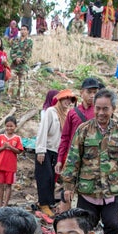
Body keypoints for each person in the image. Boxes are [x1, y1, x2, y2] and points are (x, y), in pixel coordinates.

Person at [61, 89, 118, 234]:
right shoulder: (84, 130)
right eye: (97, 109)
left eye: (105, 109)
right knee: (84, 227)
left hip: (111, 190)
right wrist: (68, 187)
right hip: (88, 189)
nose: (101, 113)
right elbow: (73, 159)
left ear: (113, 109)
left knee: (113, 225)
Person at [35, 89, 76, 217]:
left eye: (70, 100)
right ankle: (43, 203)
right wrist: (40, 150)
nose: (68, 102)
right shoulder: (51, 111)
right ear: (60, 99)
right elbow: (43, 130)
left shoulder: (68, 114)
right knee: (44, 177)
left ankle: (50, 202)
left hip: (57, 151)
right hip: (46, 149)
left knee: (53, 178)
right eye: (66, 99)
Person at [55, 77, 104, 180]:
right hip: (73, 157)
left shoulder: (100, 113)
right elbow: (65, 137)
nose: (92, 95)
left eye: (95, 92)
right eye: (89, 92)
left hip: (93, 159)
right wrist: (60, 159)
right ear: (81, 92)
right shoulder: (72, 113)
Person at [0, 116, 24, 207]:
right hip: (1, 165)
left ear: (15, 126)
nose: (9, 128)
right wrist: (3, 147)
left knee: (8, 185)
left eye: (11, 126)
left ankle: (5, 205)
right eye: (7, 126)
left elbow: (19, 151)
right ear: (5, 126)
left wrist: (10, 147)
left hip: (11, 166)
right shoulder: (1, 137)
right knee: (0, 185)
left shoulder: (17, 138)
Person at [9, 24, 33, 98]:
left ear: (27, 31)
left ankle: (19, 99)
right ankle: (9, 97)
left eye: (24, 29)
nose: (22, 31)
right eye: (21, 29)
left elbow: (28, 53)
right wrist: (15, 58)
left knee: (21, 82)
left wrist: (21, 59)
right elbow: (12, 51)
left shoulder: (29, 41)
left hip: (23, 65)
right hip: (14, 65)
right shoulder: (15, 40)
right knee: (11, 81)